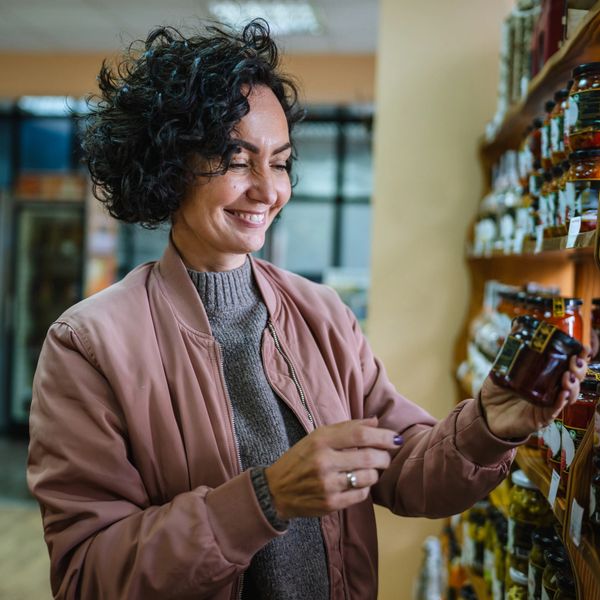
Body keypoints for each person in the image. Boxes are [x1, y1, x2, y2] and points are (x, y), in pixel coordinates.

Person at [27, 19, 589, 600]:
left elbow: (404, 469)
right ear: (169, 164)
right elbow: (88, 576)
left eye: (281, 161)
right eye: (237, 159)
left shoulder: (319, 313)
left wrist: (489, 427)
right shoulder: (89, 345)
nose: (269, 190)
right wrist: (264, 499)